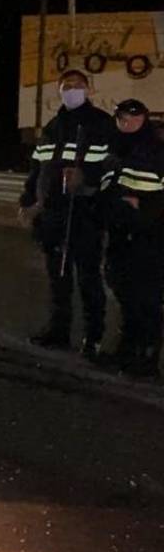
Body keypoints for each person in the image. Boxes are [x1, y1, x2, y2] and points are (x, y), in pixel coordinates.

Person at [18, 69, 115, 359]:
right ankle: (58, 330)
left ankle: (92, 337)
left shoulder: (100, 124)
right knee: (57, 278)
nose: (71, 90)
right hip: (52, 216)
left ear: (89, 89)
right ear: (58, 91)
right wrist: (27, 201)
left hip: (85, 213)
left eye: (77, 85)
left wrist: (86, 178)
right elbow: (37, 170)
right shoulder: (52, 126)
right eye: (65, 86)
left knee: (87, 278)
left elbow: (113, 166)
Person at [98, 99, 164, 378]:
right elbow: (107, 188)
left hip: (149, 236)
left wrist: (144, 208)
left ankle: (148, 358)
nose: (128, 123)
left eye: (134, 118)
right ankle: (127, 350)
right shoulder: (113, 149)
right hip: (120, 233)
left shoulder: (157, 150)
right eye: (122, 118)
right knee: (125, 293)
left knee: (147, 298)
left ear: (144, 119)